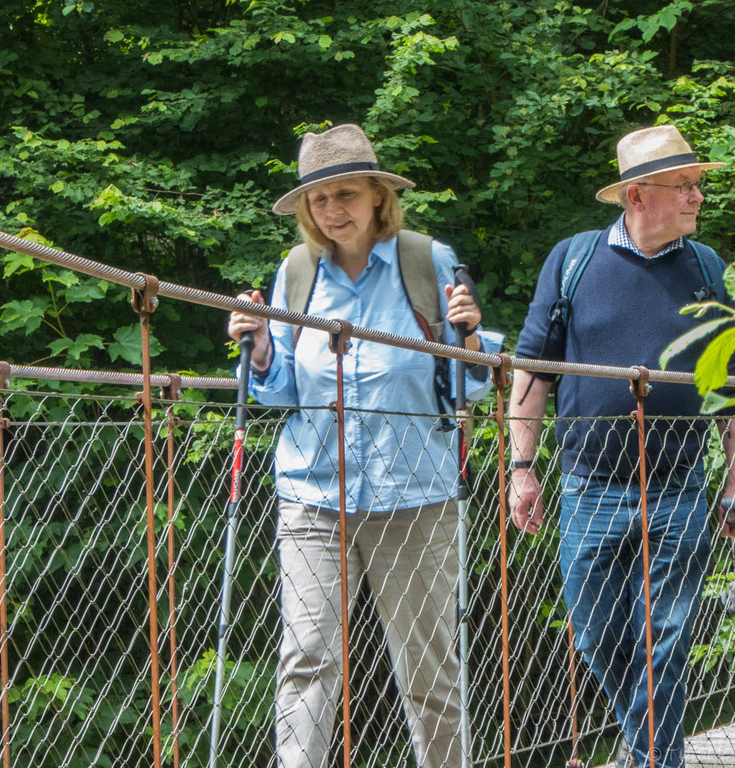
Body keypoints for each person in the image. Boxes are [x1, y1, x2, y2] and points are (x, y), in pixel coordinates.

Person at [227, 123, 502, 768]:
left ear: (379, 195)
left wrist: (469, 339)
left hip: (416, 496)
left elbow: (467, 385)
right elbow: (280, 390)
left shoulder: (425, 262)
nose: (332, 210)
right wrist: (262, 349)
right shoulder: (297, 273)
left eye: (345, 194)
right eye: (317, 201)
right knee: (305, 661)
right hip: (313, 494)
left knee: (430, 672)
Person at [507, 125, 735, 768]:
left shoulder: (708, 270)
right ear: (639, 195)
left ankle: (649, 762)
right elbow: (534, 369)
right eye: (685, 185)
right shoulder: (574, 261)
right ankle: (646, 750)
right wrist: (521, 468)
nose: (698, 196)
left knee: (665, 642)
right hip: (590, 486)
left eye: (699, 184)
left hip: (679, 488)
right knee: (595, 637)